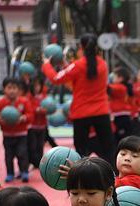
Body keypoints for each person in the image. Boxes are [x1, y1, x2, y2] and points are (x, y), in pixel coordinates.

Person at [42, 34, 115, 165]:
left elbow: (57, 78)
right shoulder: (103, 64)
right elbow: (80, 77)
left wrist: (47, 64)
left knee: (81, 151)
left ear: (81, 48)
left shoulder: (78, 65)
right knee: (108, 149)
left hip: (82, 112)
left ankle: (81, 178)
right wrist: (66, 66)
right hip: (101, 111)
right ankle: (114, 176)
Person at [0, 77, 34, 183]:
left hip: (21, 134)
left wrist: (23, 117)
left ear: (18, 90)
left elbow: (30, 114)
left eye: (14, 88)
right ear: (4, 89)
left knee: (22, 153)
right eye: (9, 88)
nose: (12, 90)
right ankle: (10, 173)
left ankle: (24, 172)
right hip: (7, 135)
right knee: (8, 156)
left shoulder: (24, 101)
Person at [28, 78, 49, 170]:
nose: (37, 87)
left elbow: (48, 107)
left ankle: (39, 163)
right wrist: (36, 110)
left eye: (38, 85)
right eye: (35, 85)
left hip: (42, 126)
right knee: (32, 146)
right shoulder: (29, 96)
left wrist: (47, 110)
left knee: (40, 145)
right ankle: (32, 162)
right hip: (32, 126)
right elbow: (28, 108)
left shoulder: (44, 97)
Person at [109, 67, 134, 142]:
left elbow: (107, 88)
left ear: (121, 78)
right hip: (119, 116)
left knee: (121, 139)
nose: (112, 77)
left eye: (114, 76)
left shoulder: (120, 87)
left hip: (121, 117)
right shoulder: (121, 87)